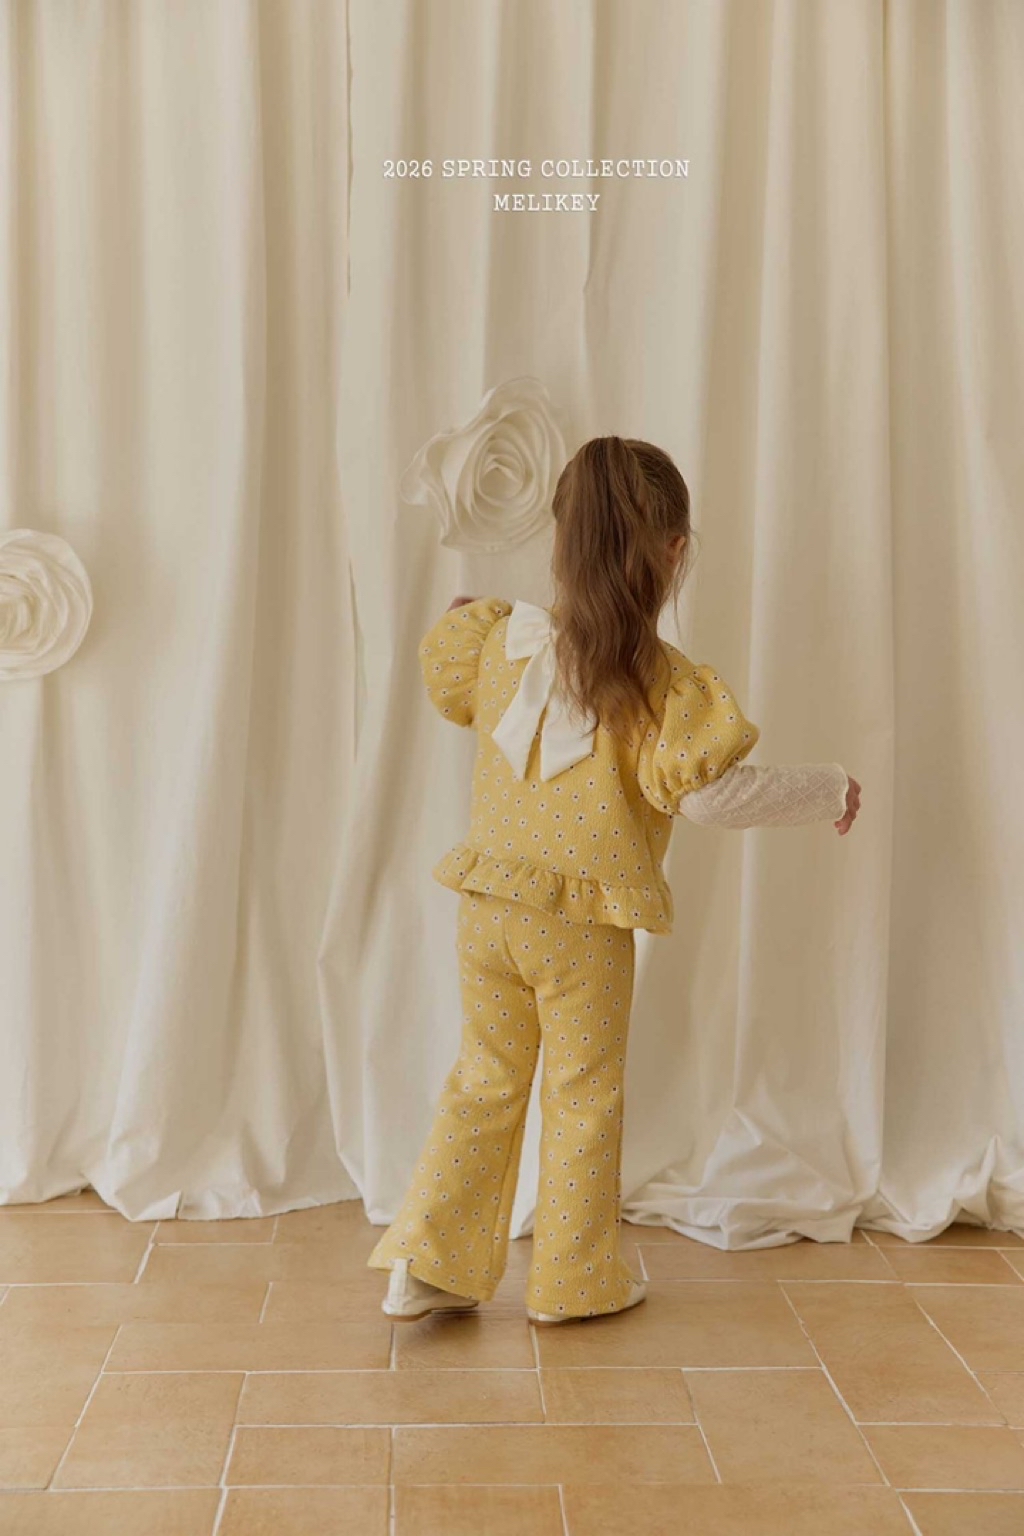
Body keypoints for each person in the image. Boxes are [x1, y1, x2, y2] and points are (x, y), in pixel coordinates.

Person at [367, 436, 860, 1327]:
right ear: (673, 550)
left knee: (484, 1079)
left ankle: (424, 1265)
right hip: (579, 928)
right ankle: (572, 1280)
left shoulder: (502, 640)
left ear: (561, 538)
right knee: (583, 1095)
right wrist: (827, 788)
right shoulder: (659, 683)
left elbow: (451, 674)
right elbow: (711, 798)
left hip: (486, 910)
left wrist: (466, 614)